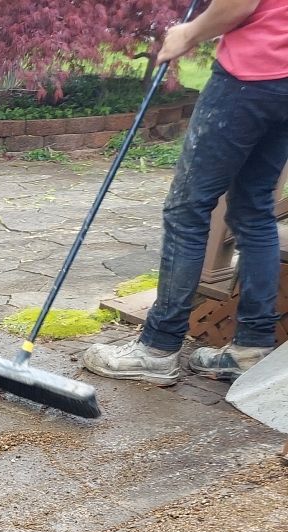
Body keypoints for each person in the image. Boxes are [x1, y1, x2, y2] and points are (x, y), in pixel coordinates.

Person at [83, 0, 288, 386]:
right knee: (254, 210)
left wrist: (189, 32)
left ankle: (157, 350)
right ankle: (250, 349)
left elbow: (239, 4)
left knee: (187, 209)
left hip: (251, 75)